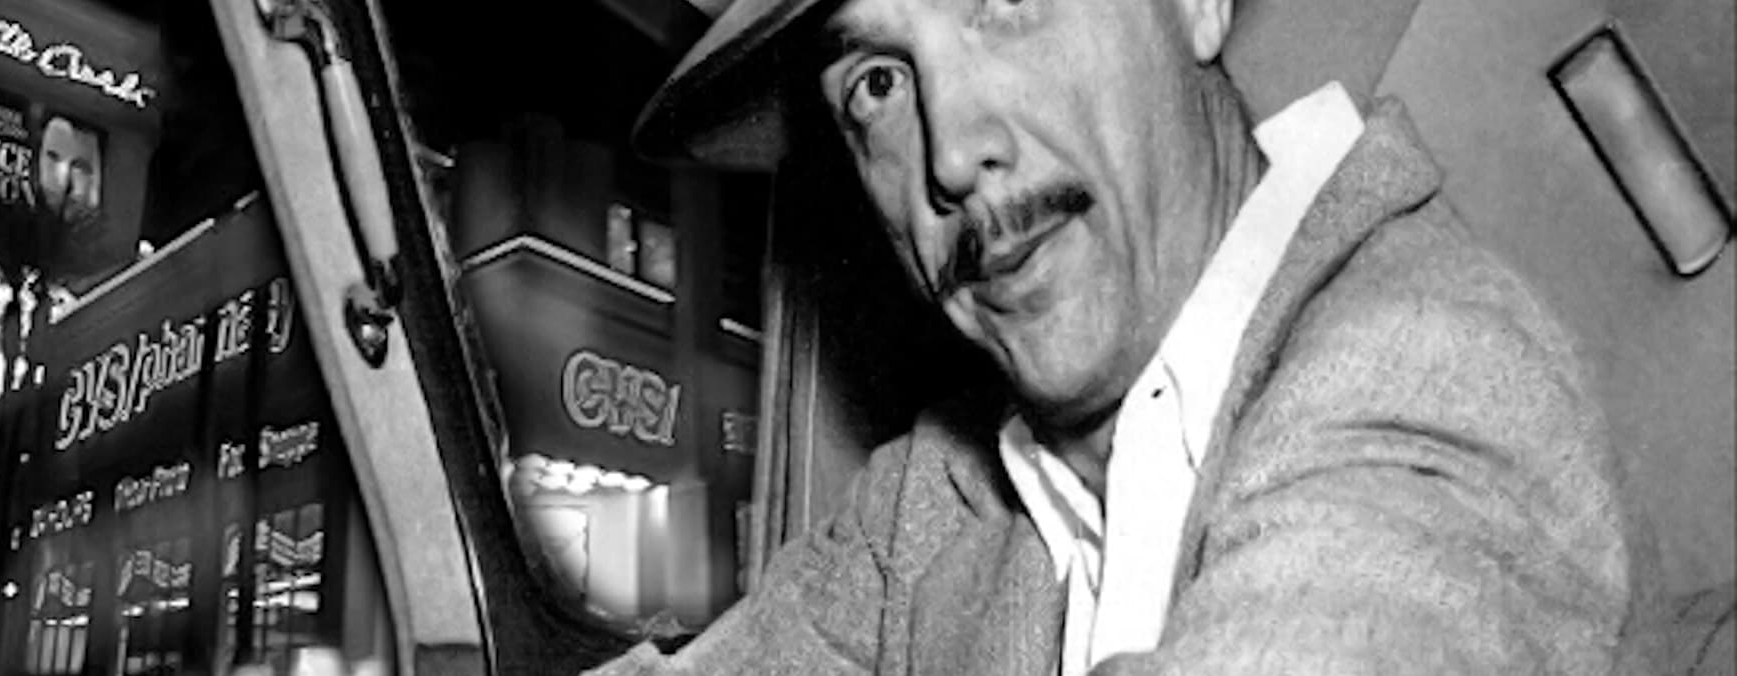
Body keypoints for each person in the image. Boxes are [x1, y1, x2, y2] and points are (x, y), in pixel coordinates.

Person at [588, 0, 1648, 673]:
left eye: (1005, 3)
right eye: (877, 82)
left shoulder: (1433, 378)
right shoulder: (934, 497)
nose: (951, 152)